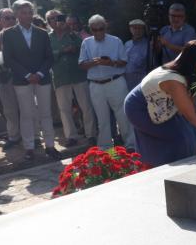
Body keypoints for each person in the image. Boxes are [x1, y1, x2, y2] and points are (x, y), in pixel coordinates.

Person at [124, 41, 196, 167]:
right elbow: (191, 116)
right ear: (193, 62)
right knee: (179, 137)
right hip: (140, 107)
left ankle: (183, 166)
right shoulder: (174, 81)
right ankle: (162, 170)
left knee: (188, 132)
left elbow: (191, 106)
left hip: (161, 102)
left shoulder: (188, 72)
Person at [1, 0, 60, 161]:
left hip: (42, 79)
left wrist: (39, 73)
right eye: (23, 13)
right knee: (26, 115)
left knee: (46, 113)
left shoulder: (42, 33)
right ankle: (29, 148)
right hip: (22, 80)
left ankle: (50, 146)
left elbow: (49, 57)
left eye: (29, 12)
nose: (27, 16)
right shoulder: (9, 34)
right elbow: (9, 59)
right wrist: (27, 75)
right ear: (16, 14)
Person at [78, 14, 136, 151]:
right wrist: (93, 62)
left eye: (101, 29)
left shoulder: (116, 41)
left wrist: (111, 63)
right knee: (101, 118)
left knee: (123, 115)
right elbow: (81, 64)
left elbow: (124, 61)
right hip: (95, 84)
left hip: (115, 81)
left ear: (105, 27)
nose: (98, 32)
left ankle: (131, 145)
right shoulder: (86, 42)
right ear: (91, 29)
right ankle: (105, 148)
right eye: (95, 29)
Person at [47, 10, 96, 147]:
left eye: (58, 18)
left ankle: (91, 134)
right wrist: (62, 51)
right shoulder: (47, 38)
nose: (56, 21)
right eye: (52, 19)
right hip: (60, 77)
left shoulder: (73, 35)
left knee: (86, 106)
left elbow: (84, 48)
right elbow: (47, 55)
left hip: (78, 74)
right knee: (64, 108)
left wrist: (71, 35)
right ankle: (71, 136)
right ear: (48, 22)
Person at [0, 8, 21, 149]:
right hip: (5, 78)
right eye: (7, 18)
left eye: (12, 18)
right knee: (10, 110)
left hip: (22, 77)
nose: (10, 21)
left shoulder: (22, 34)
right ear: (1, 20)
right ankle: (14, 137)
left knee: (28, 109)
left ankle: (34, 137)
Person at [124, 19, 150, 91]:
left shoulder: (149, 45)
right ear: (130, 29)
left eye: (140, 28)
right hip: (127, 80)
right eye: (135, 28)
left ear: (144, 30)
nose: (137, 31)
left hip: (142, 80)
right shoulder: (127, 44)